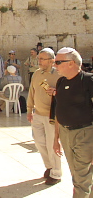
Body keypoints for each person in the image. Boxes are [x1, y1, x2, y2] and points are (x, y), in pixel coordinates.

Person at [52, 47, 93, 197]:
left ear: (71, 63)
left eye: (58, 62)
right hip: (65, 133)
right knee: (77, 174)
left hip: (85, 134)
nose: (54, 65)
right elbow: (59, 110)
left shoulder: (88, 81)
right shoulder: (61, 82)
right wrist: (56, 138)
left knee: (81, 178)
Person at [27, 48, 61, 185]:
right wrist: (29, 109)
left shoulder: (59, 75)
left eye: (42, 59)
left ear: (52, 61)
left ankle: (57, 173)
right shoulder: (36, 74)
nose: (39, 61)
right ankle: (49, 166)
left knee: (52, 144)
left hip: (52, 116)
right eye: (39, 58)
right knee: (39, 142)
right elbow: (31, 92)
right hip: (38, 114)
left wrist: (57, 92)